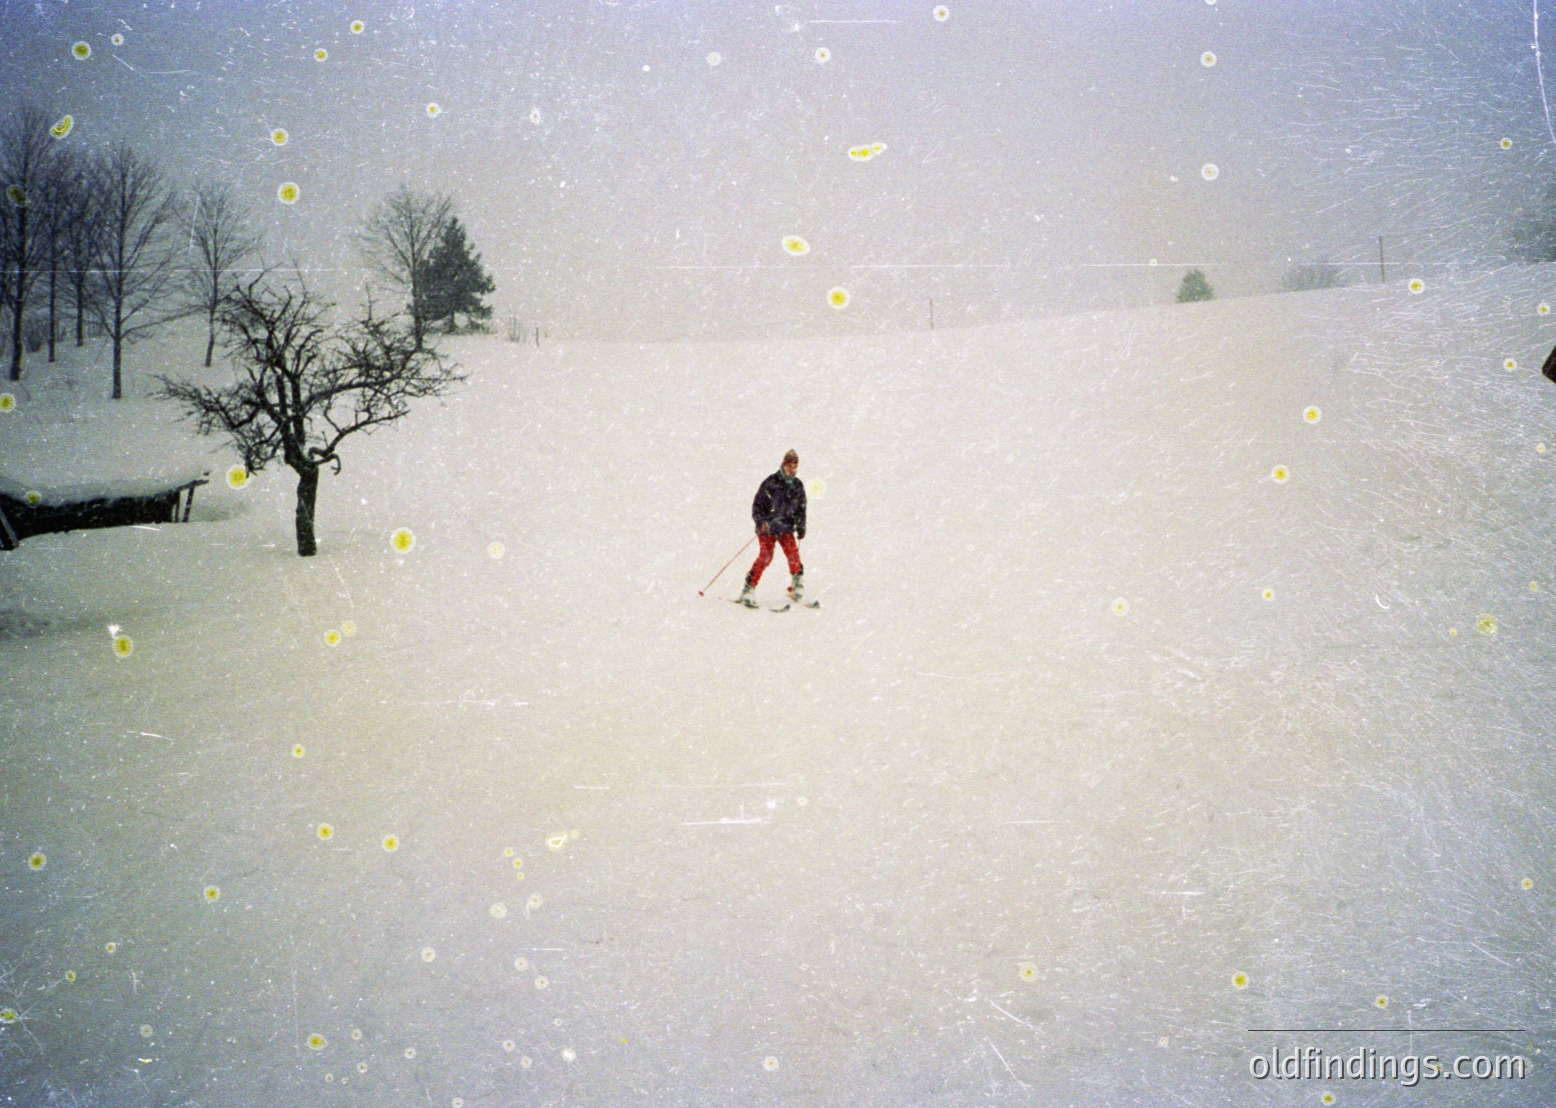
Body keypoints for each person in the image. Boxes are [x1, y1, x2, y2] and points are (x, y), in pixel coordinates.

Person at [738, 449, 807, 607]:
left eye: (795, 466)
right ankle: (748, 589)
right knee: (766, 557)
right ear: (783, 465)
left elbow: (801, 508)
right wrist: (761, 522)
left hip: (786, 527)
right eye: (789, 465)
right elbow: (757, 505)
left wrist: (801, 525)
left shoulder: (797, 485)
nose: (792, 469)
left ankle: (797, 586)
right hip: (767, 527)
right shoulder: (771, 482)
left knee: (793, 556)